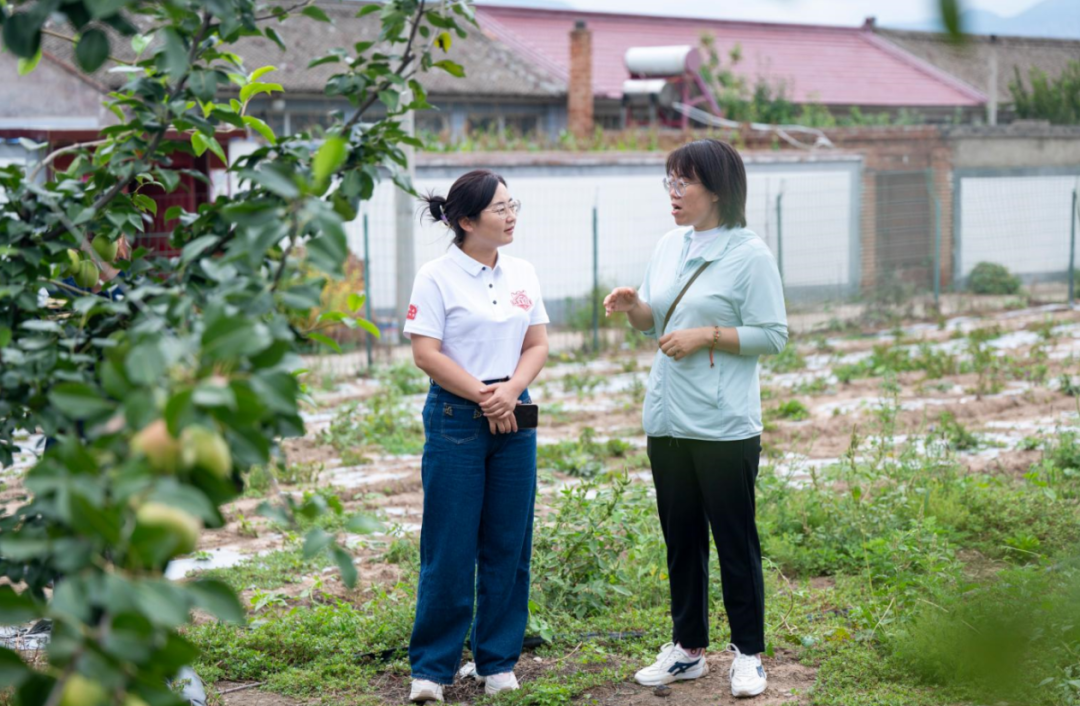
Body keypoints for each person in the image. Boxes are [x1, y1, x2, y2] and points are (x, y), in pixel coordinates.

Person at [604, 139, 787, 699]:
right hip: (667, 419)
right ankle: (687, 650)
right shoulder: (669, 245)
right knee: (681, 539)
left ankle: (748, 654)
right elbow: (654, 321)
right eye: (670, 181)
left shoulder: (749, 254)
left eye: (684, 182)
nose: (674, 192)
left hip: (723, 423)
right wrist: (634, 306)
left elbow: (773, 335)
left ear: (718, 190)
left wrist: (708, 334)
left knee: (734, 540)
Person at [404, 169, 550, 703]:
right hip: (457, 416)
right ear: (466, 221)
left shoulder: (522, 272)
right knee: (449, 544)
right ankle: (431, 670)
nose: (511, 216)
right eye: (500, 209)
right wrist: (486, 396)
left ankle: (497, 662)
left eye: (514, 206)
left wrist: (510, 391)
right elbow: (426, 354)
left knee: (509, 544)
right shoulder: (436, 276)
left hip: (514, 413)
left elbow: (537, 344)